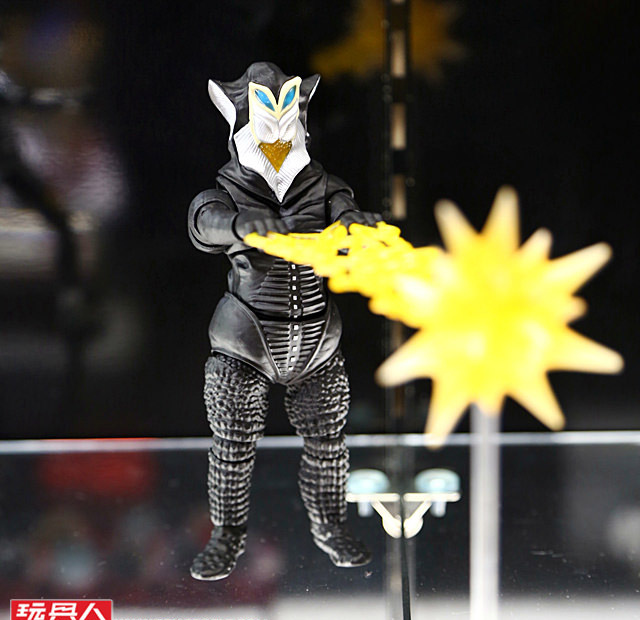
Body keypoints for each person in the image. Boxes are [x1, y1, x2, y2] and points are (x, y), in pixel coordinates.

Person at [188, 62, 381, 580]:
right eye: (265, 128)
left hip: (317, 342)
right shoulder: (226, 192)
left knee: (328, 445)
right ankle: (227, 535)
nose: (275, 141)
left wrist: (356, 229)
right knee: (233, 448)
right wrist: (238, 225)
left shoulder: (324, 187)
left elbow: (346, 214)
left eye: (285, 126)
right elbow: (203, 223)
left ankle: (331, 527)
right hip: (245, 344)